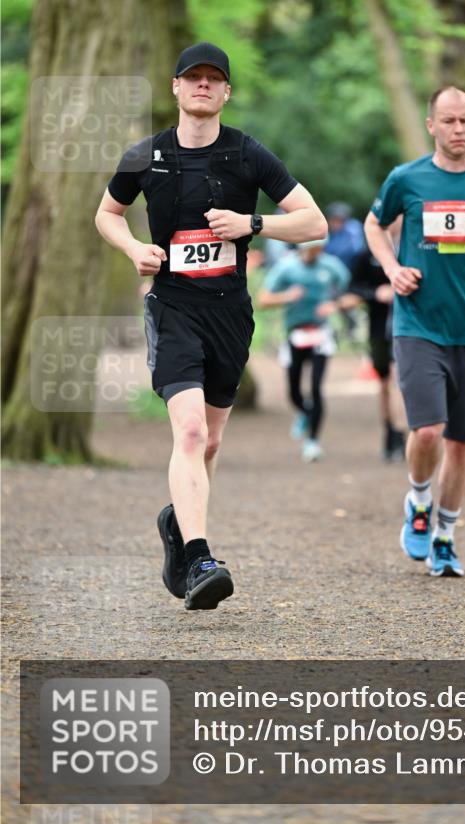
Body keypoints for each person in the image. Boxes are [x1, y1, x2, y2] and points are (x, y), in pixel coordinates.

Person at [95, 42, 327, 611]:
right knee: (192, 433)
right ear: (175, 88)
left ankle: (177, 528)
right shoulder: (143, 156)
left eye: (213, 79)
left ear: (226, 92)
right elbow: (106, 214)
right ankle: (200, 556)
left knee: (212, 441)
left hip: (229, 311)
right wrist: (132, 249)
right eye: (192, 77)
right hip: (173, 308)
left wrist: (253, 222)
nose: (202, 86)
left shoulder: (248, 154)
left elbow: (314, 222)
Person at [364, 85, 465, 577]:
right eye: (449, 121)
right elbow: (376, 226)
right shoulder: (406, 178)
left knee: (461, 444)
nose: (458, 129)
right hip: (418, 324)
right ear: (431, 125)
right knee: (429, 430)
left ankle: (445, 537)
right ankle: (418, 501)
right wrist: (393, 269)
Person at [258, 239, 350, 462]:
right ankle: (305, 413)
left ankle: (312, 442)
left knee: (317, 388)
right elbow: (263, 299)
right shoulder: (286, 267)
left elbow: (350, 294)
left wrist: (334, 305)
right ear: (302, 247)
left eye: (320, 247)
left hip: (321, 332)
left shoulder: (332, 266)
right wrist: (287, 296)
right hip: (295, 333)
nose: (316, 252)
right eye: (312, 247)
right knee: (294, 391)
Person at [346, 235, 406, 461]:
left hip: (407, 328)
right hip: (379, 328)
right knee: (384, 384)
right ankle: (390, 434)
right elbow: (353, 287)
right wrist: (376, 294)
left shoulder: (412, 249)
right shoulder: (367, 254)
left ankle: (401, 435)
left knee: (397, 380)